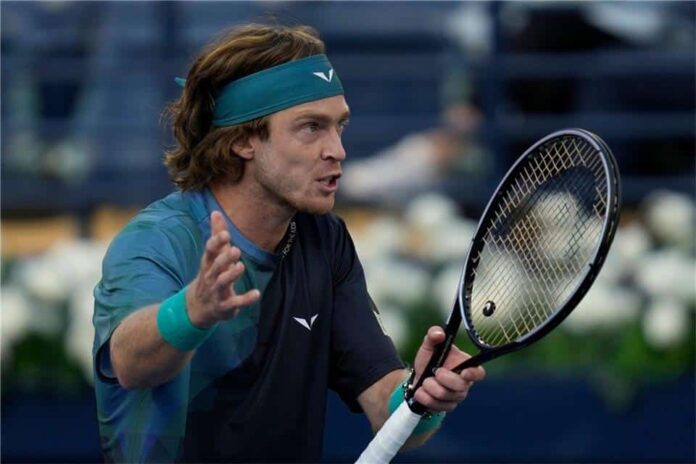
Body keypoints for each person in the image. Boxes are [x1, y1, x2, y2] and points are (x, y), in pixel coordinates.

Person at [92, 23, 485, 463]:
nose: (337, 150)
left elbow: (384, 405)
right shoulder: (158, 239)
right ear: (243, 140)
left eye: (339, 126)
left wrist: (421, 397)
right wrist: (194, 310)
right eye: (311, 127)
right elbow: (129, 364)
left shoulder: (325, 239)